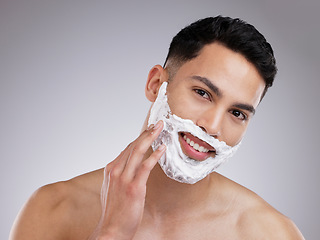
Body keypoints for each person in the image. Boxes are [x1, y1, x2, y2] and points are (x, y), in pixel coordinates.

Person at [10, 16, 304, 239]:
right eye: (202, 93)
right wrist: (112, 232)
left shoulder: (270, 232)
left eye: (237, 113)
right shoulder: (52, 210)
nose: (213, 126)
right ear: (155, 85)